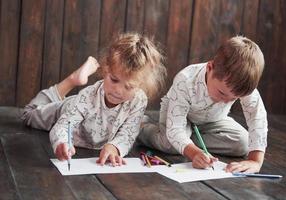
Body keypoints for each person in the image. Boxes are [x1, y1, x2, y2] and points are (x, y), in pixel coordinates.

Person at [21, 33, 166, 166]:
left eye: (129, 87)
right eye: (114, 80)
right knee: (28, 115)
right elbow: (63, 125)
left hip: (94, 131)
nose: (118, 90)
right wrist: (62, 142)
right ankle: (72, 80)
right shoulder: (87, 96)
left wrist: (114, 147)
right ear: (105, 69)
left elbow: (128, 134)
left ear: (141, 85)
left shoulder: (139, 100)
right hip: (65, 109)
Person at [138, 36, 267, 173]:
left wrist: (255, 160)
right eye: (222, 93)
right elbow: (175, 128)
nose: (226, 101)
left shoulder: (242, 85)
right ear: (209, 68)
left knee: (243, 144)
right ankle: (142, 127)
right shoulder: (185, 80)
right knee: (170, 144)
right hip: (180, 116)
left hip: (214, 120)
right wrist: (193, 153)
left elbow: (257, 117)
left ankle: (185, 140)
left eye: (233, 99)